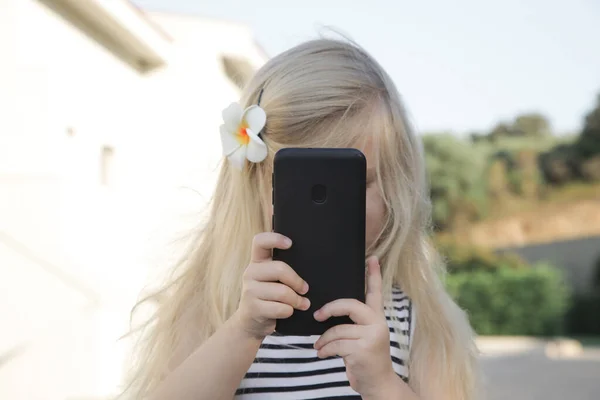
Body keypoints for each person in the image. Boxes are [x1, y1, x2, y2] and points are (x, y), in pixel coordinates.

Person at [121, 38, 481, 400]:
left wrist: (383, 384)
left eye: (356, 182)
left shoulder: (412, 320)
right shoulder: (217, 307)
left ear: (397, 183)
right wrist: (243, 332)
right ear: (255, 185)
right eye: (303, 187)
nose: (333, 212)